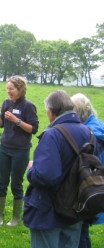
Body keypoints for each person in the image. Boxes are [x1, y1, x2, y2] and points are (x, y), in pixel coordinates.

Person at [23, 90, 97, 248]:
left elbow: (46, 177)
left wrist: (32, 169)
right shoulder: (89, 132)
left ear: (51, 111)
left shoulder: (52, 134)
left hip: (48, 211)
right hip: (75, 209)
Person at [0, 75, 39, 227]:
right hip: (4, 148)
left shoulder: (28, 106)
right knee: (1, 182)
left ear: (20, 89)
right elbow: (1, 125)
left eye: (11, 88)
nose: (8, 91)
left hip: (20, 151)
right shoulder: (7, 103)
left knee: (16, 184)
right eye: (7, 88)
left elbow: (33, 129)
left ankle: (16, 218)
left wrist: (16, 121)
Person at [71, 93, 104, 248]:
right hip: (97, 183)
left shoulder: (89, 132)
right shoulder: (98, 126)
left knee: (81, 228)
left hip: (89, 184)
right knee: (83, 227)